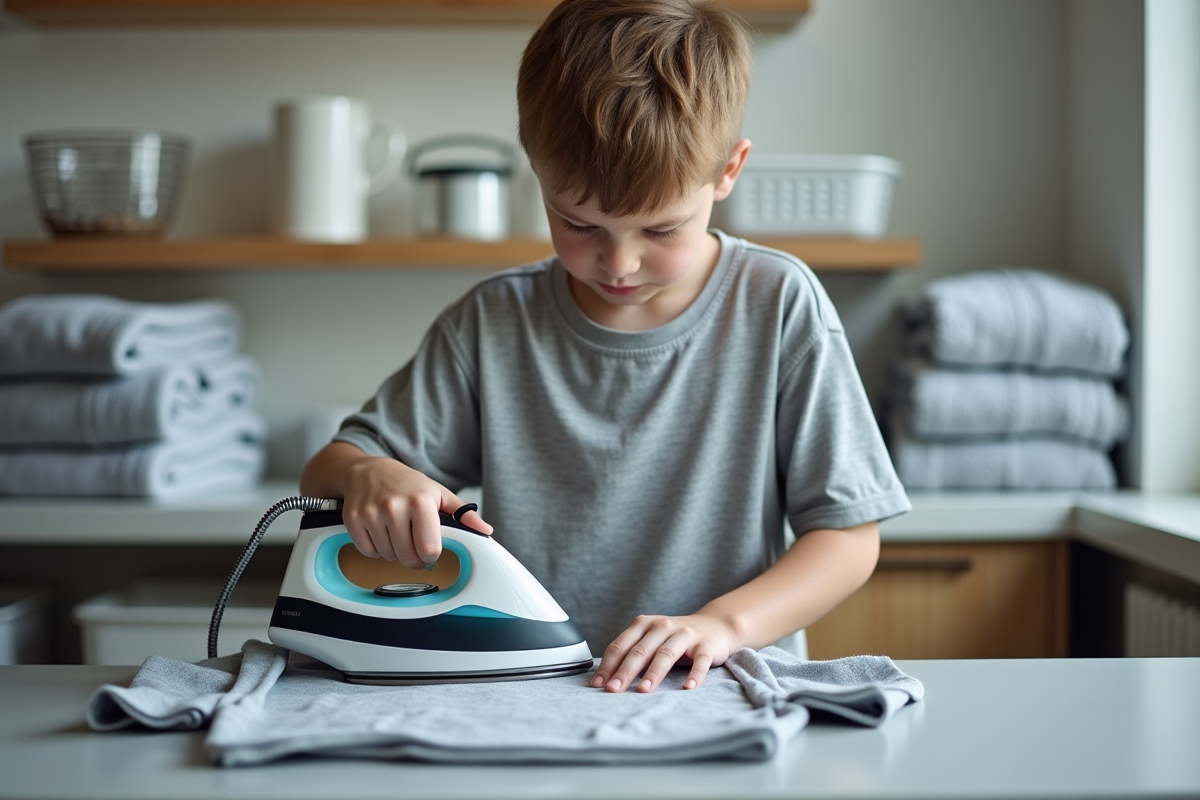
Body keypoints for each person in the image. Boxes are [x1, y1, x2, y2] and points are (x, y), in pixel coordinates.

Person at [301, 0, 910, 694]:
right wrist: (366, 477)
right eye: (578, 222)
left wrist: (724, 626)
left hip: (719, 688)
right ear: (536, 169)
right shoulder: (494, 320)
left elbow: (850, 539)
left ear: (728, 172)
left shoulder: (778, 305)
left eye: (660, 229)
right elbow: (327, 469)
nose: (618, 263)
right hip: (531, 694)